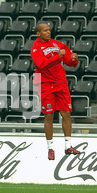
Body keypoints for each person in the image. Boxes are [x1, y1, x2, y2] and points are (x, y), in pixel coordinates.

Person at [30, 22, 81, 160]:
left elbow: (69, 60)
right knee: (49, 115)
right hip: (46, 83)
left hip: (60, 82)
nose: (48, 32)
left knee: (66, 113)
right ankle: (50, 148)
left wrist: (74, 59)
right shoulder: (36, 48)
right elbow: (40, 64)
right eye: (45, 30)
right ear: (38, 33)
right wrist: (58, 56)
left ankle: (68, 145)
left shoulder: (57, 44)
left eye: (49, 30)